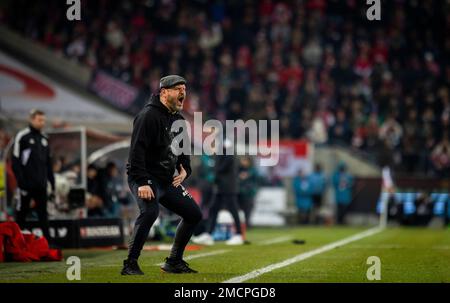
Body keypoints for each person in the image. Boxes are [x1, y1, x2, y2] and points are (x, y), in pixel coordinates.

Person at [121, 75, 202, 275]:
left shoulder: (179, 120)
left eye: (184, 89)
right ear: (164, 92)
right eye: (178, 89)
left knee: (194, 214)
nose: (183, 92)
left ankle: (174, 261)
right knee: (150, 212)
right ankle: (130, 264)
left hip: (166, 180)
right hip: (145, 177)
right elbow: (135, 153)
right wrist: (141, 182)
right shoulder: (147, 116)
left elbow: (183, 152)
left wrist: (185, 169)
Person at [11, 109, 55, 244]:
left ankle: (48, 242)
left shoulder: (44, 139)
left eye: (43, 120)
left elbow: (48, 164)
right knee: (22, 214)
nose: (42, 123)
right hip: (26, 184)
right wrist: (21, 182)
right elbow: (15, 161)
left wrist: (52, 183)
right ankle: (15, 243)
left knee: (43, 214)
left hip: (41, 184)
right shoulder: (22, 136)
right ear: (32, 119)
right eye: (39, 120)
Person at [192, 138, 244, 246]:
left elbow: (226, 162)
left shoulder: (226, 146)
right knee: (213, 209)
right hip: (221, 186)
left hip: (228, 186)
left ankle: (239, 235)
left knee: (233, 209)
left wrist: (215, 171)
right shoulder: (221, 148)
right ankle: (208, 235)